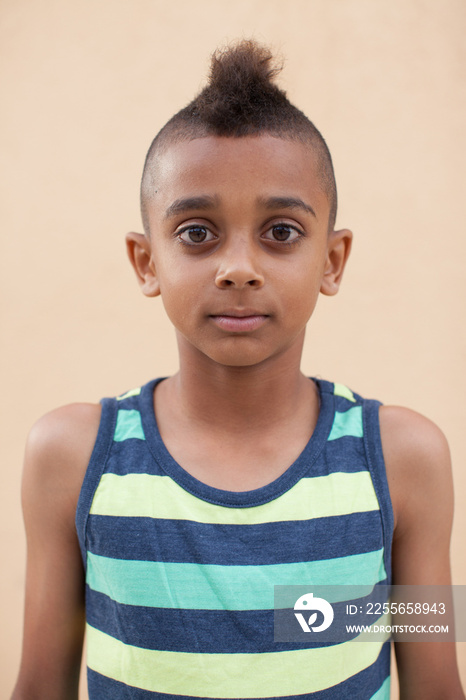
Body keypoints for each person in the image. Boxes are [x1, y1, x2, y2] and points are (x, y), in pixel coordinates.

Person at [11, 40, 464, 700]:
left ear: (333, 260)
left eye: (281, 231)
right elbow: (39, 688)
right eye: (197, 232)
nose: (239, 267)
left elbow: (437, 689)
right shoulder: (74, 456)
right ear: (146, 263)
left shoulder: (403, 459)